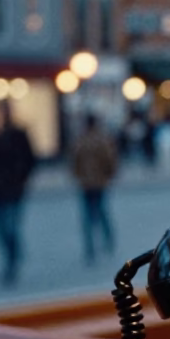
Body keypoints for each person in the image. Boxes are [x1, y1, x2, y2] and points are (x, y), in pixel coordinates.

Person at [0, 103, 36, 285]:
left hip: (13, 189)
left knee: (10, 227)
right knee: (0, 229)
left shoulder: (18, 135)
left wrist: (21, 179)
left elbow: (30, 159)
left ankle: (12, 261)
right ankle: (13, 254)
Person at [69, 112, 119, 263]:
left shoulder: (81, 140)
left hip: (86, 182)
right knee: (101, 212)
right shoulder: (101, 139)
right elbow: (110, 159)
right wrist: (109, 174)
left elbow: (73, 160)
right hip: (98, 181)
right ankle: (106, 240)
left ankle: (91, 247)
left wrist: (77, 175)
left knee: (88, 216)